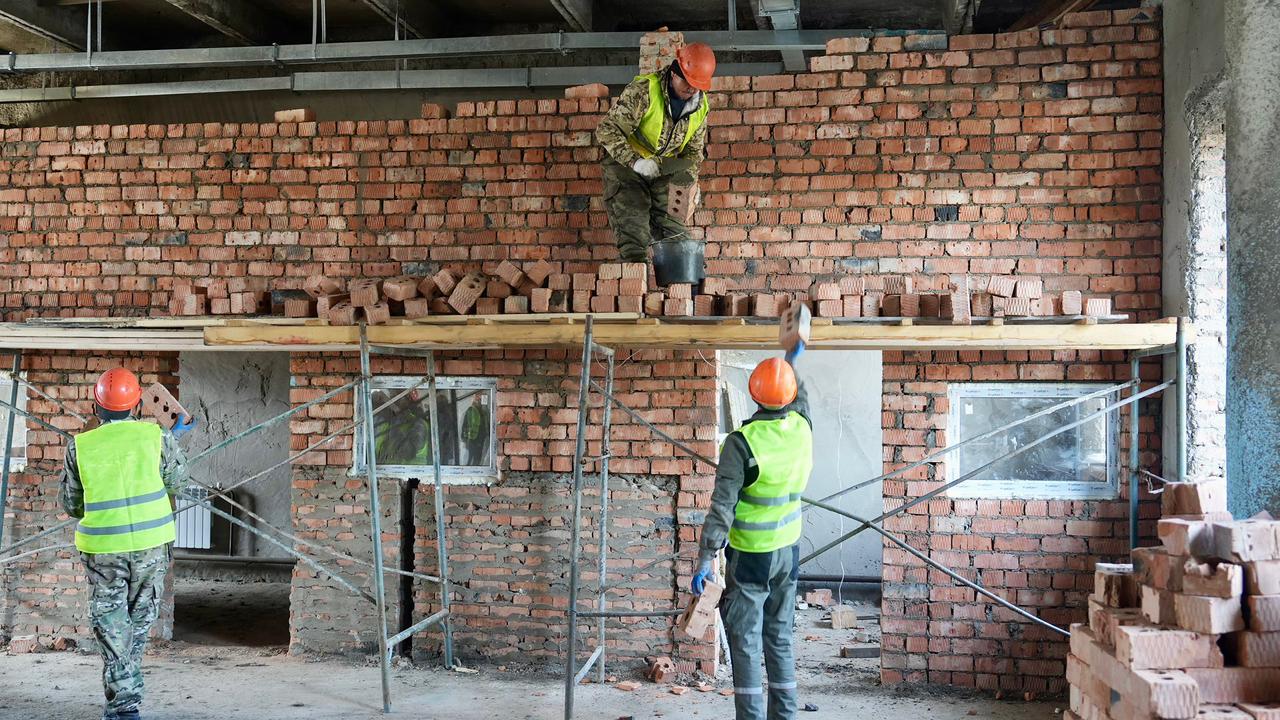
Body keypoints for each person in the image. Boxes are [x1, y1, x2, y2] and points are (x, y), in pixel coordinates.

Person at [60, 367, 195, 720]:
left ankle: (123, 703)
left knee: (111, 622)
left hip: (104, 550)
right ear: (136, 405)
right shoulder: (156, 437)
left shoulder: (80, 446)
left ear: (96, 406)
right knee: (138, 620)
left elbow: (72, 505)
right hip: (151, 546)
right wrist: (172, 441)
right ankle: (126, 701)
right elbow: (178, 484)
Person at [692, 350, 812, 720]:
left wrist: (705, 559)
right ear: (791, 396)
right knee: (780, 636)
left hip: (752, 558)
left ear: (753, 394)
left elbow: (722, 508)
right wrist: (792, 362)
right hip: (788, 553)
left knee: (745, 641)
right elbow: (801, 399)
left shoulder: (741, 443)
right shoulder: (802, 428)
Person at [595, 42, 716, 265]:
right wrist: (635, 162)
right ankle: (634, 272)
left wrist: (691, 183)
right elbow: (607, 130)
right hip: (627, 165)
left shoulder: (700, 107)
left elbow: (692, 153)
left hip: (664, 167)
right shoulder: (644, 91)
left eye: (697, 85)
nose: (692, 89)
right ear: (674, 73)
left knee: (675, 234)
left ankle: (679, 282)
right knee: (634, 223)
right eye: (688, 82)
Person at [461, 393, 489, 466]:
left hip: (481, 438)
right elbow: (465, 424)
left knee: (478, 457)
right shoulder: (471, 410)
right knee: (470, 458)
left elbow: (486, 424)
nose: (479, 401)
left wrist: (487, 434)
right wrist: (464, 438)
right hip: (473, 438)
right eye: (477, 399)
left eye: (480, 399)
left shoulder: (483, 412)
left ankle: (475, 469)